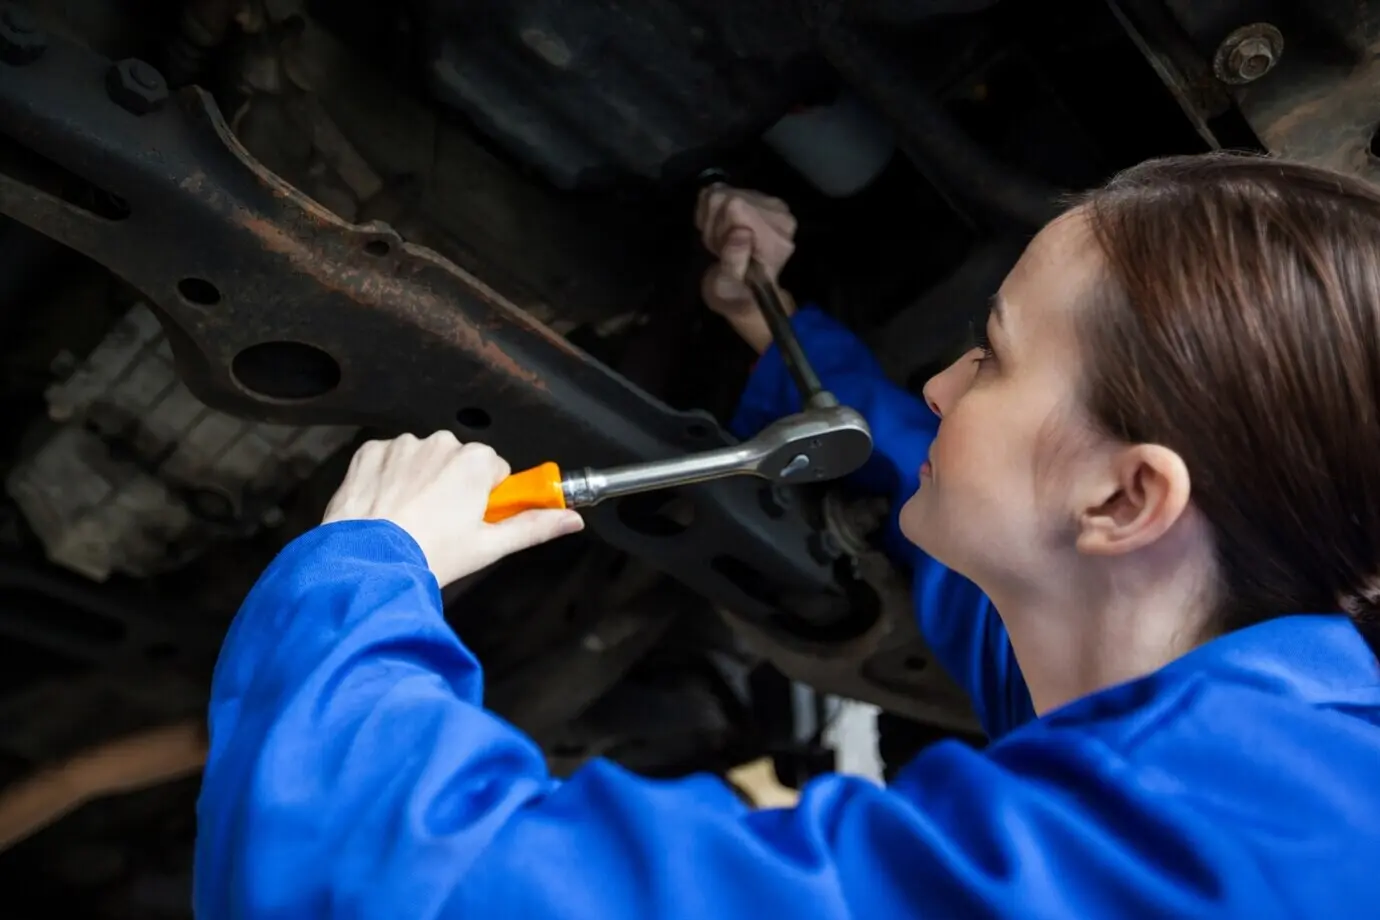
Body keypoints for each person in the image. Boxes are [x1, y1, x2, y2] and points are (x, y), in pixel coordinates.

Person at [194, 153, 1380, 919]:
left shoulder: (1240, 854)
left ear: (1127, 502)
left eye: (996, 355)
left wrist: (361, 571)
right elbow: (952, 504)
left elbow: (390, 884)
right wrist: (778, 328)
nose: (943, 380)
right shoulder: (1206, 693)